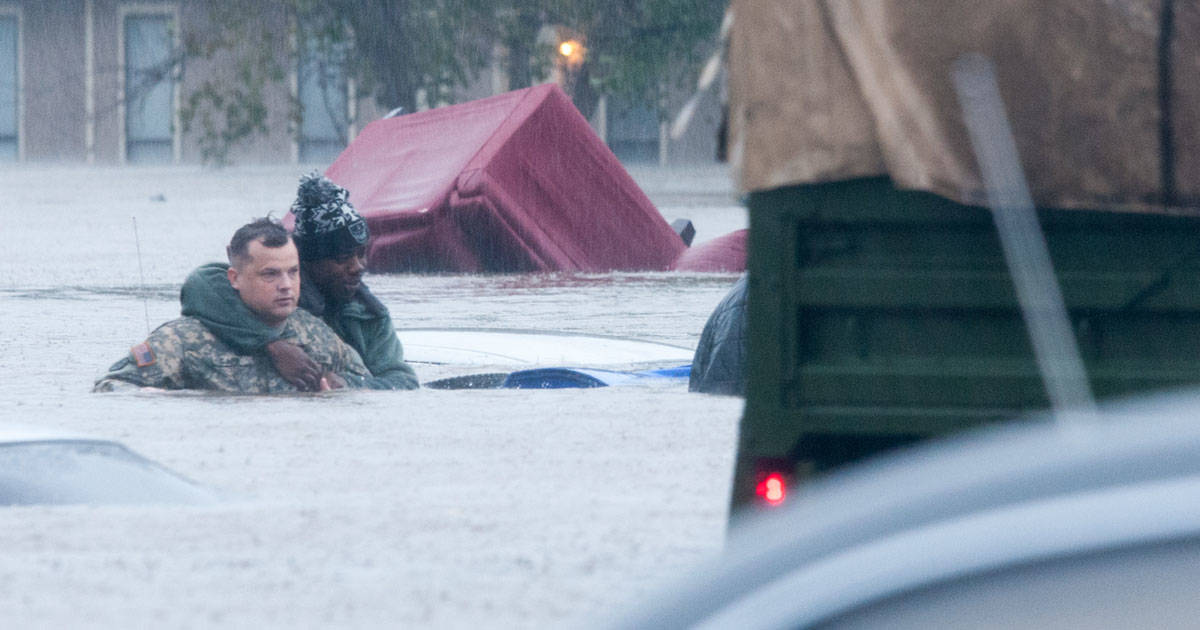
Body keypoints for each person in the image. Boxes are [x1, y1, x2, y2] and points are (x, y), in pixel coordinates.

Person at [179, 173, 419, 391]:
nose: (358, 267)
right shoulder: (274, 297)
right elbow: (200, 284)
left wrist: (347, 385)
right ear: (310, 261)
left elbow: (403, 381)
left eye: (361, 254)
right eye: (343, 258)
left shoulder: (369, 314)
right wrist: (272, 344)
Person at [94, 218, 371, 393]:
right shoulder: (183, 341)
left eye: (293, 272)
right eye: (270, 274)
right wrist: (174, 400)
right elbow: (111, 387)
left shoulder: (317, 335)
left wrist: (344, 387)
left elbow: (376, 386)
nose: (286, 285)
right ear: (235, 278)